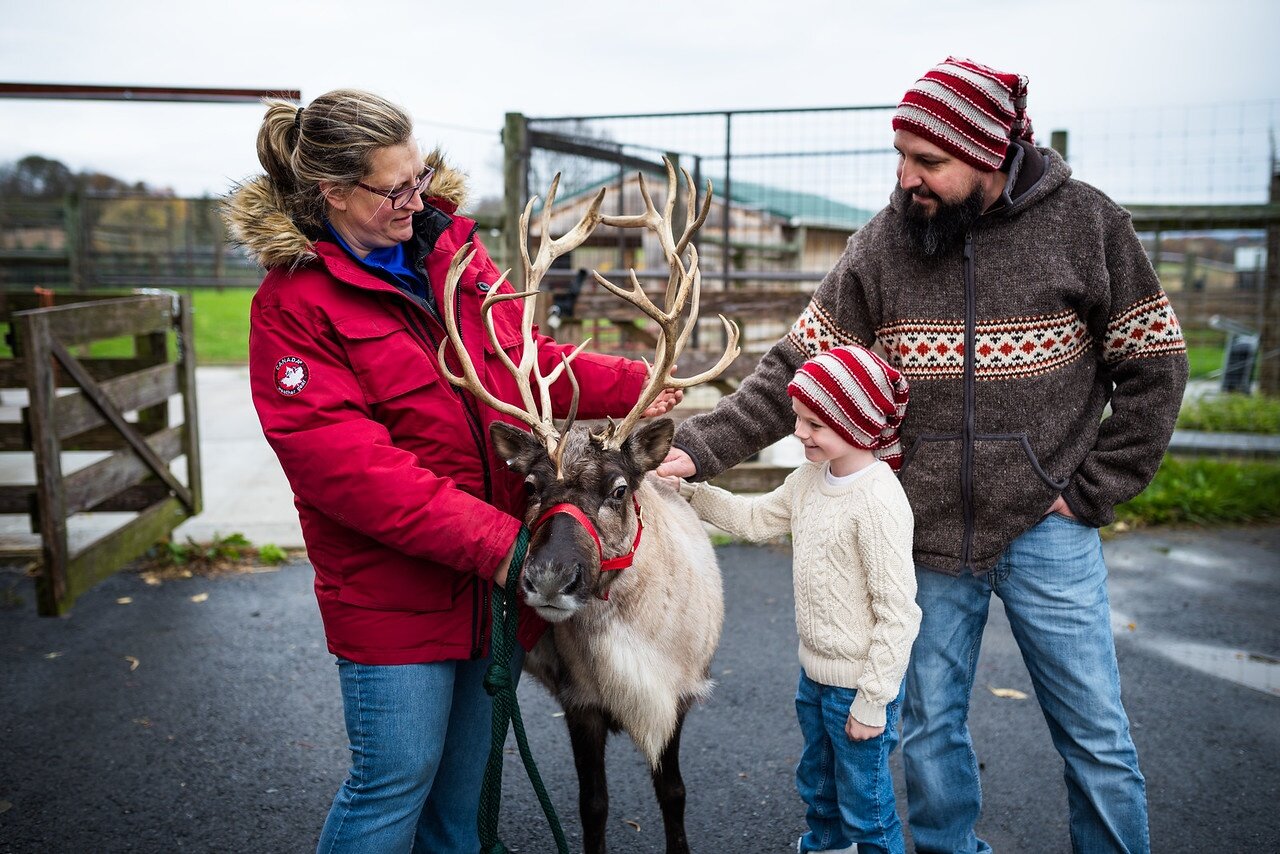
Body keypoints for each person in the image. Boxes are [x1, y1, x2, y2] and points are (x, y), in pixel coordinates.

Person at [657, 57, 1188, 854]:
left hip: (1049, 529)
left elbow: (1154, 364)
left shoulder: (1088, 226)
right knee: (926, 730)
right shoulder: (885, 243)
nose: (907, 178)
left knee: (1095, 736)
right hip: (923, 532)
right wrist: (693, 452)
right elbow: (796, 367)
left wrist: (1089, 491)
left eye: (928, 161)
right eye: (900, 155)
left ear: (989, 152)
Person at [223, 88, 679, 854]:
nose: (416, 198)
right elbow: (360, 476)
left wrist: (630, 381)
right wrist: (507, 547)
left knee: (463, 805)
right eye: (394, 188)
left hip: (491, 594)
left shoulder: (456, 259)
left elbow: (523, 363)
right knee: (393, 786)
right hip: (397, 597)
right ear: (334, 193)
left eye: (421, 174)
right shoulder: (294, 308)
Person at [676, 345, 919, 854]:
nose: (799, 432)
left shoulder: (878, 500)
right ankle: (826, 847)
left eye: (814, 424)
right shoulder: (810, 480)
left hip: (858, 687)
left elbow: (899, 614)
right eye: (798, 419)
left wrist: (873, 702)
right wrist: (691, 490)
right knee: (819, 784)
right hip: (814, 676)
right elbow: (754, 518)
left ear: (855, 423)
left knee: (868, 806)